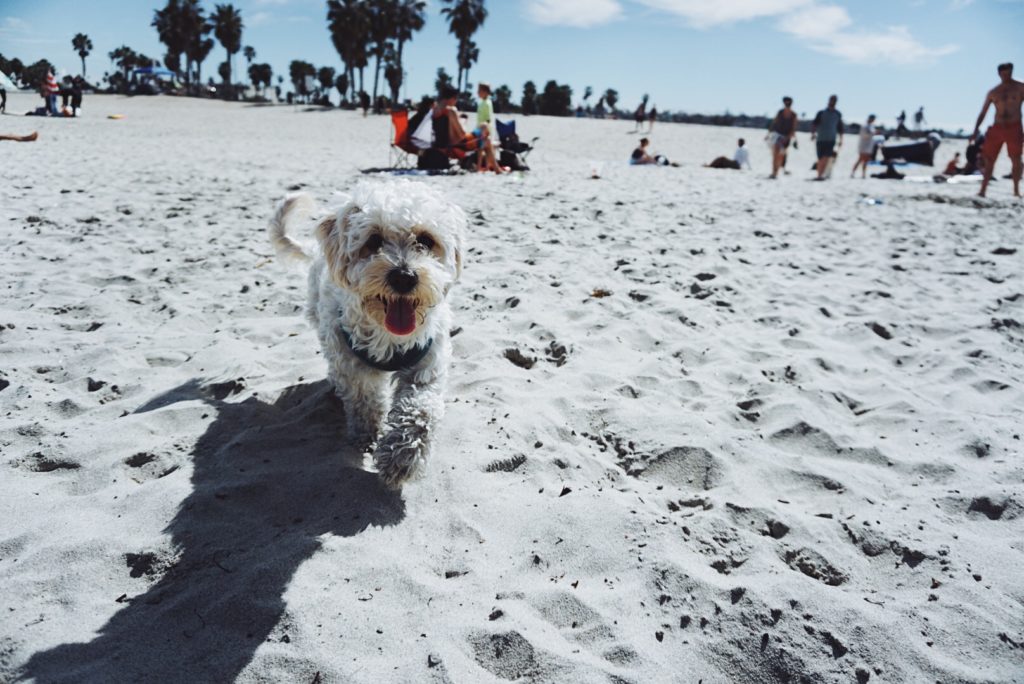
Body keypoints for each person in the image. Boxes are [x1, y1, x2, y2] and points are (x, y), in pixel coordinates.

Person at [970, 62, 1023, 198]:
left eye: (1009, 73)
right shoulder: (994, 92)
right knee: (988, 159)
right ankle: (983, 190)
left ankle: (1016, 191)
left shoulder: (1020, 87)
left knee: (1016, 159)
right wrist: (975, 131)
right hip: (997, 127)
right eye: (1004, 73)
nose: (1007, 76)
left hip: (1014, 126)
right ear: (999, 74)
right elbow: (983, 113)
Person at [432, 84, 502, 173]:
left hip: (440, 145)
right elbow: (461, 134)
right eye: (455, 98)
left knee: (483, 129)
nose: (456, 101)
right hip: (456, 146)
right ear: (451, 98)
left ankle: (484, 167)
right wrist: (462, 122)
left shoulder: (435, 110)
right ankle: (497, 169)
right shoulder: (451, 110)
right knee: (486, 139)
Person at [811, 94, 843, 180]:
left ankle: (820, 175)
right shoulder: (821, 113)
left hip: (831, 139)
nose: (833, 101)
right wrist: (813, 134)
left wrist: (841, 140)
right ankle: (820, 174)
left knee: (826, 157)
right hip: (820, 138)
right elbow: (814, 124)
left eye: (834, 100)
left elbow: (840, 128)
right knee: (820, 157)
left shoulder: (837, 114)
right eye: (832, 99)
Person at [766, 96, 798, 179]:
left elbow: (793, 128)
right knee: (775, 153)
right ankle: (774, 172)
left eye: (788, 102)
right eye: (786, 102)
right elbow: (774, 123)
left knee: (781, 155)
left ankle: (776, 171)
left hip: (786, 137)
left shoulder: (794, 115)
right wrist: (768, 134)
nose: (787, 104)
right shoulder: (780, 112)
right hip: (777, 135)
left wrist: (789, 137)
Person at [851, 114, 878, 178]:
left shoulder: (871, 126)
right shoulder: (864, 126)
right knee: (860, 159)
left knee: (866, 161)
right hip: (863, 145)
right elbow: (864, 135)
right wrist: (872, 134)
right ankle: (853, 173)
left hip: (869, 146)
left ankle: (863, 174)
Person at [476, 82, 495, 172]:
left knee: (481, 148)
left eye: (479, 91)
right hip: (481, 128)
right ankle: (485, 166)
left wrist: (485, 130)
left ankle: (480, 167)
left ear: (486, 92)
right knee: (485, 149)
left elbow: (487, 118)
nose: (478, 92)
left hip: (484, 129)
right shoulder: (483, 102)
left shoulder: (486, 103)